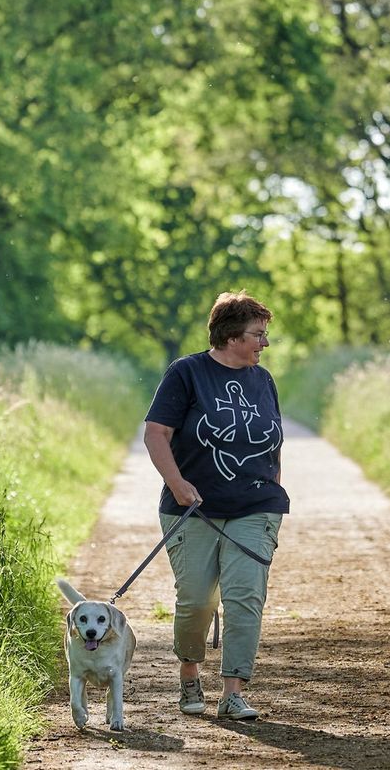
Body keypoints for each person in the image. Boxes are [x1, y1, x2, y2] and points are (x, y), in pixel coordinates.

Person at [143, 292, 288, 721]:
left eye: (265, 335)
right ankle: (190, 674)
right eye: (257, 335)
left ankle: (233, 691)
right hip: (192, 507)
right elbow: (156, 434)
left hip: (256, 505)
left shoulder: (264, 381)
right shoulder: (186, 373)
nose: (264, 344)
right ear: (230, 336)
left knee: (245, 596)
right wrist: (178, 483)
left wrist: (272, 493)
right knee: (196, 599)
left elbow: (273, 443)